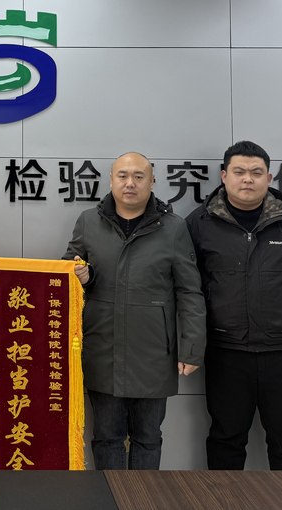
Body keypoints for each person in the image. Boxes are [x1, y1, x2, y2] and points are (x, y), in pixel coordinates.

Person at [63, 151, 205, 470]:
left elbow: (189, 291)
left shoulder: (173, 228)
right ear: (111, 180)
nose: (130, 183)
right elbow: (68, 271)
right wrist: (84, 274)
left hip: (153, 351)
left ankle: (143, 495)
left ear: (152, 182)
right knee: (106, 437)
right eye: (123, 176)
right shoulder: (88, 222)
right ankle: (109, 495)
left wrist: (192, 348)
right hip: (103, 347)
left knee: (148, 437)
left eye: (139, 177)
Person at [185, 140, 282, 471]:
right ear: (224, 176)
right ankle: (224, 499)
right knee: (225, 440)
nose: (248, 179)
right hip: (226, 352)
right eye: (240, 171)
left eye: (256, 172)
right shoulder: (199, 223)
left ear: (269, 178)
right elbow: (189, 286)